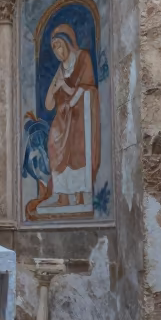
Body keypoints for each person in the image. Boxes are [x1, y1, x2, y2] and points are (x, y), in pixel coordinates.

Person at [43, 23, 100, 208]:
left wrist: (65, 89)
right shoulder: (61, 68)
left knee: (77, 148)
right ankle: (62, 196)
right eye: (54, 48)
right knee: (53, 141)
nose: (57, 51)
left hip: (81, 115)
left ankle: (80, 195)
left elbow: (87, 86)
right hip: (64, 117)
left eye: (59, 45)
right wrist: (53, 90)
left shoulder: (83, 57)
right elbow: (48, 104)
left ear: (68, 43)